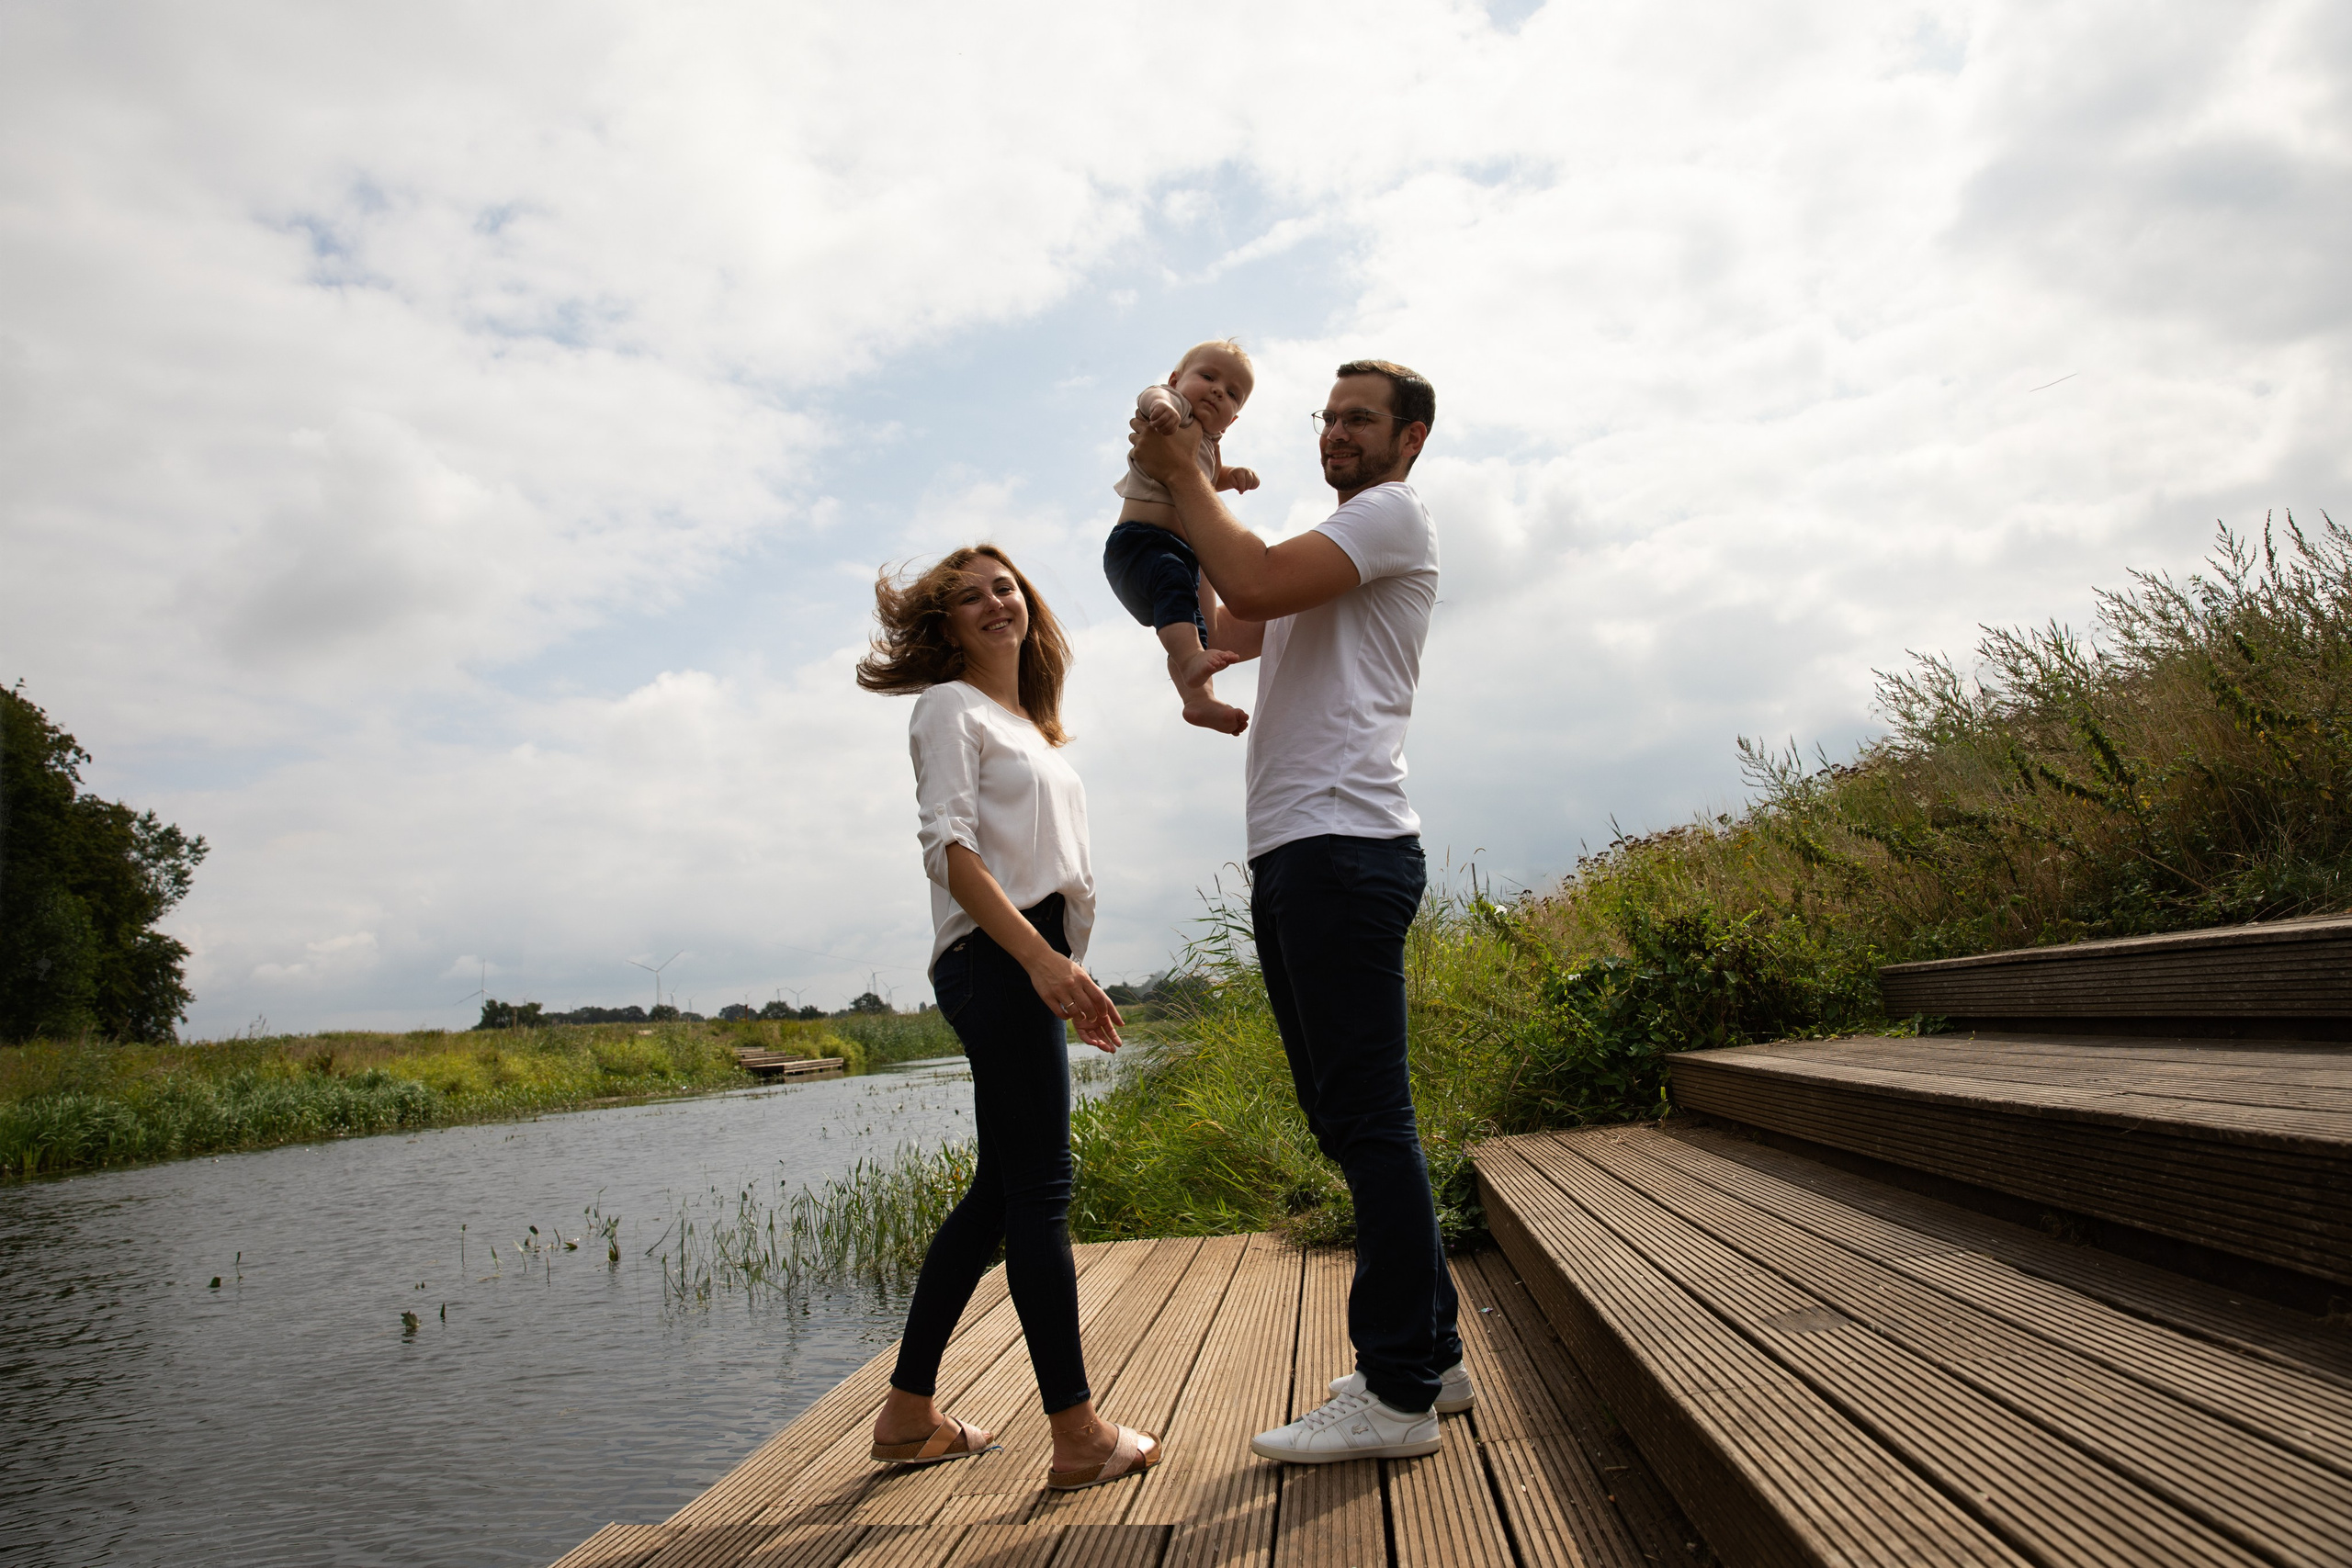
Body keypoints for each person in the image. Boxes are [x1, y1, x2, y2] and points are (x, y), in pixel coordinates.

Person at [1127, 360, 1469, 1463]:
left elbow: (1257, 581)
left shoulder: (1389, 516)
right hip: (1298, 848)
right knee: (1349, 1122)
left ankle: (1397, 1394)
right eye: (1328, 417)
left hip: (1341, 843)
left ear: (1409, 438)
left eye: (1359, 419)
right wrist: (1158, 497)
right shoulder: (1327, 554)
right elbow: (1229, 622)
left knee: (1370, 1122)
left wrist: (1188, 469)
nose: (1336, 433)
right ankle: (1435, 1355)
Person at [854, 544, 1161, 1492]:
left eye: (1005, 587)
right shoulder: (949, 706)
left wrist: (1067, 972)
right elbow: (947, 850)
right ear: (941, 624)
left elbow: (1051, 875)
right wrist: (1037, 962)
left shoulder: (1027, 724)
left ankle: (907, 1415)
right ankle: (1076, 1435)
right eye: (968, 597)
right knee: (1041, 1192)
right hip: (998, 958)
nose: (995, 602)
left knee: (1000, 1191)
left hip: (1029, 958)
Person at [1102, 339, 1262, 736]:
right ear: (1177, 379)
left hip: (1181, 556)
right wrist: (1163, 406)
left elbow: (1208, 479)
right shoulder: (1175, 410)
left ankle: (1199, 701)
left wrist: (1233, 476)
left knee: (1194, 627)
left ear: (1233, 420)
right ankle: (1192, 663)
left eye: (1232, 395)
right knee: (1181, 608)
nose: (1217, 391)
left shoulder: (1210, 444)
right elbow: (1150, 395)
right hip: (1141, 544)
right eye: (1207, 377)